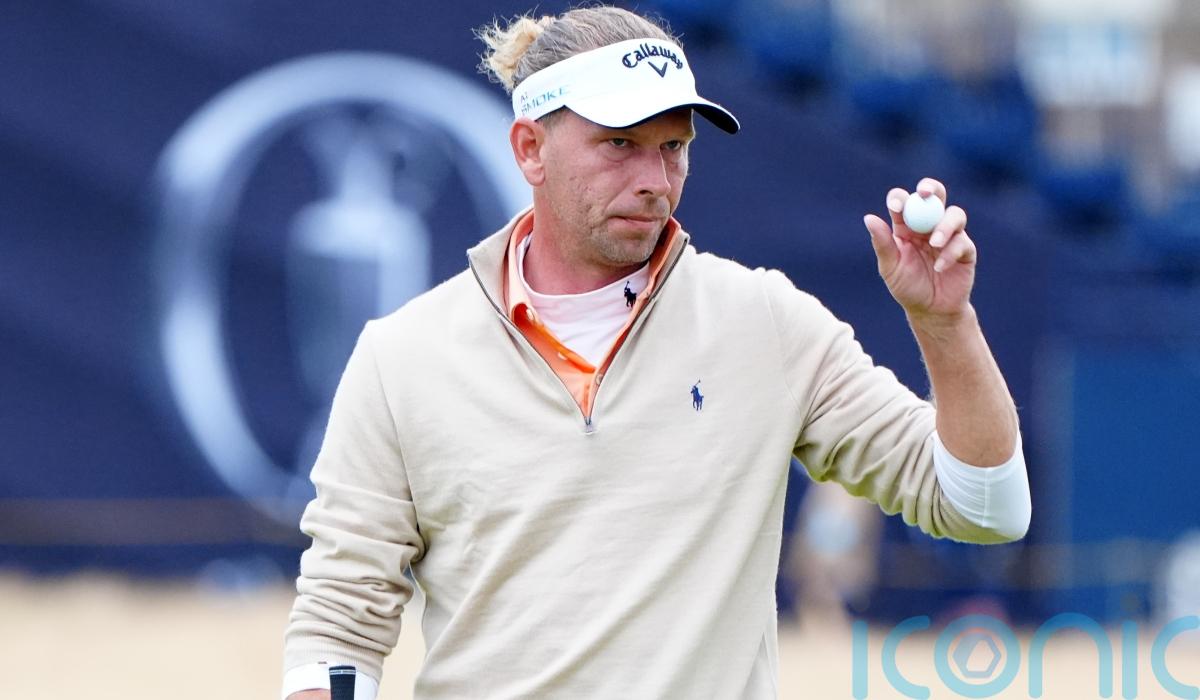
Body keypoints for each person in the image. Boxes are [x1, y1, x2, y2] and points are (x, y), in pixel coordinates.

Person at [281, 6, 1032, 699]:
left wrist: (945, 324)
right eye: (620, 145)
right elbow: (337, 632)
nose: (654, 181)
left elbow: (985, 507)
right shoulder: (403, 355)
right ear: (530, 149)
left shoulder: (766, 322)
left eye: (673, 147)